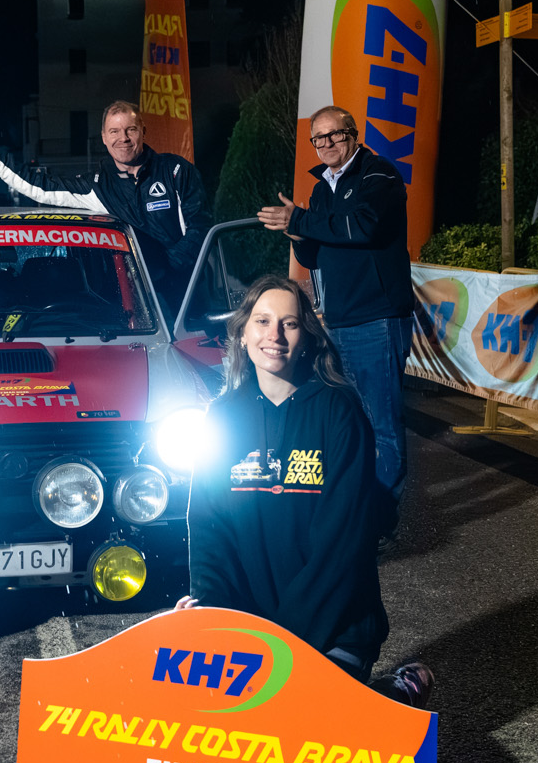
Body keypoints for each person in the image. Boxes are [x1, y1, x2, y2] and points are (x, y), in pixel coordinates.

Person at [175, 275, 431, 705]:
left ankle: (393, 694)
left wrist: (279, 647)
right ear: (242, 334)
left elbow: (343, 545)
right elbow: (209, 530)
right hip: (250, 633)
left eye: (289, 324)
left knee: (301, 721)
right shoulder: (221, 417)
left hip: (334, 628)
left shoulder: (339, 411)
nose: (274, 335)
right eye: (262, 321)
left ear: (307, 337)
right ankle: (378, 698)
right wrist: (211, 612)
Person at [258, 105, 415, 536]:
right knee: (348, 424)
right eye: (318, 138)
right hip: (338, 322)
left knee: (381, 428)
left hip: (377, 320)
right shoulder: (323, 187)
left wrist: (302, 219)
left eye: (335, 134)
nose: (326, 144)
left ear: (354, 134)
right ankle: (351, 515)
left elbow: (363, 227)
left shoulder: (379, 174)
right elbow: (315, 255)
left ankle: (376, 525)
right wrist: (297, 233)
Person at [0, 102, 210, 313]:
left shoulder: (176, 170)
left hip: (189, 294)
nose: (123, 138)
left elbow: (200, 226)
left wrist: (167, 273)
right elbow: (36, 186)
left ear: (143, 131)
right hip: (135, 302)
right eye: (114, 132)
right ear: (104, 138)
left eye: (130, 129)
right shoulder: (96, 186)